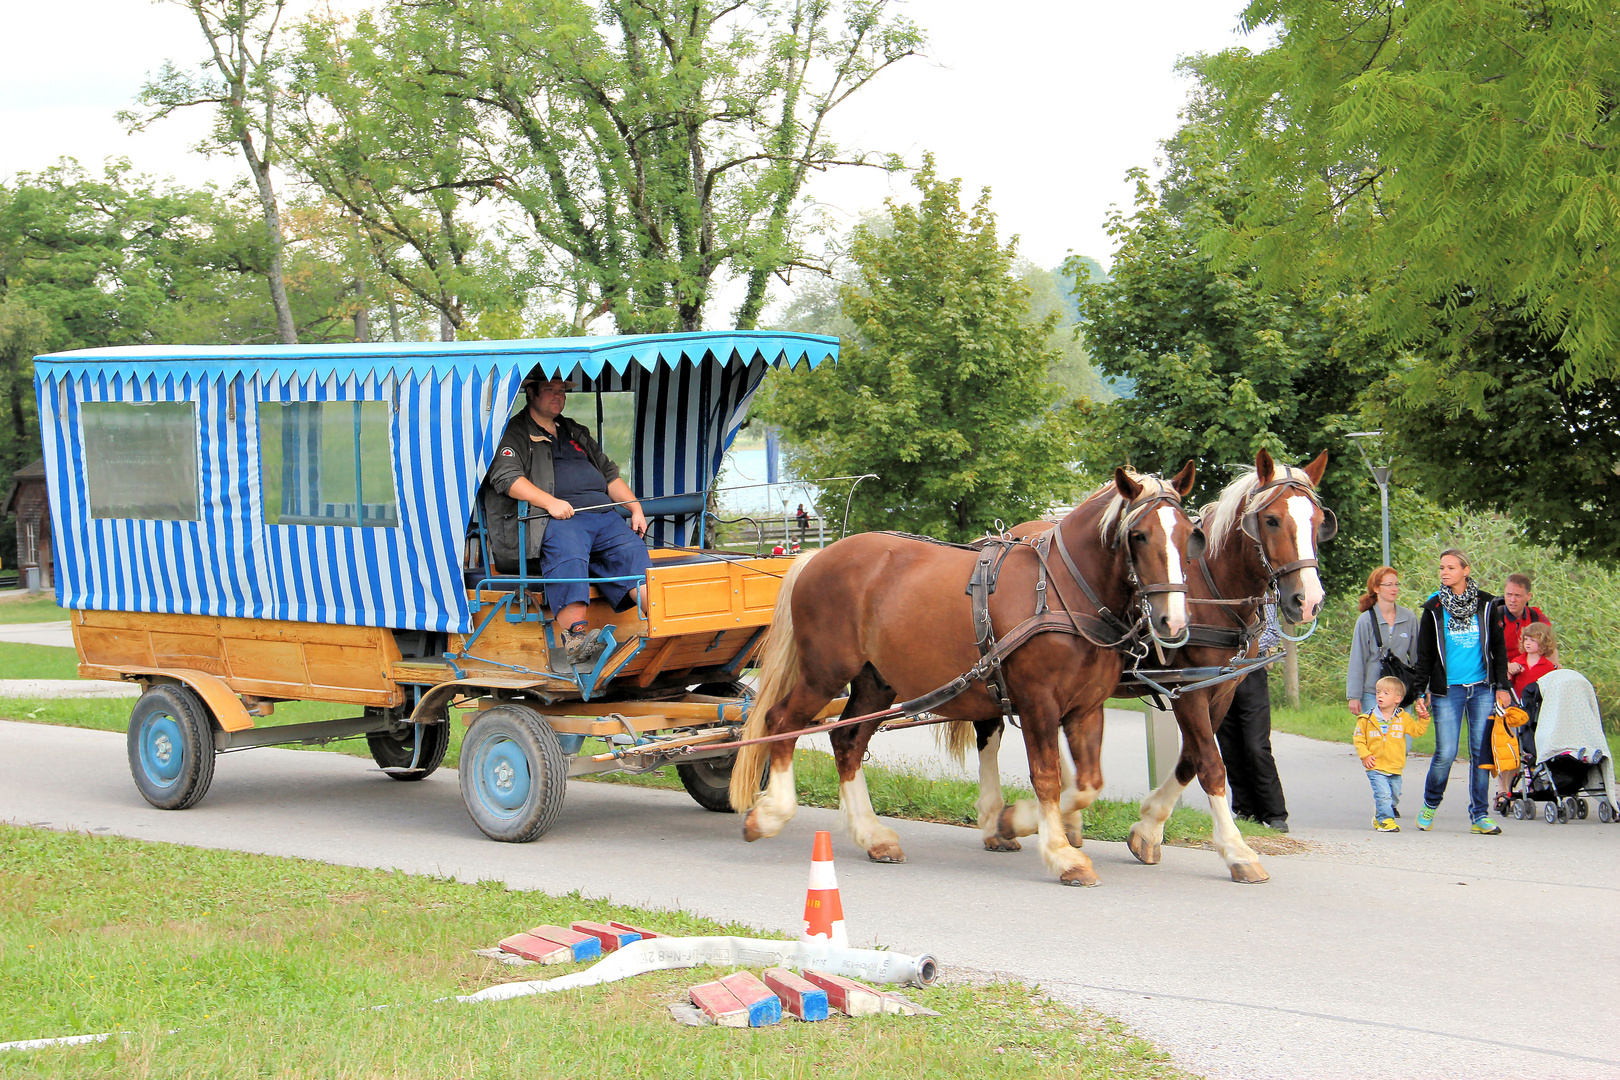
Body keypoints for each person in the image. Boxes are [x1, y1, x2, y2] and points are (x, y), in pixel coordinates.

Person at [483, 375, 651, 663]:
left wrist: (635, 508)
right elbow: (507, 478)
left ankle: (665, 622)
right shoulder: (513, 433)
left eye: (561, 392)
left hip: (602, 518)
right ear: (531, 394)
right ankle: (575, 637)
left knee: (632, 551)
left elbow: (609, 474)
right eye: (549, 390)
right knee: (569, 551)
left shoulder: (574, 430)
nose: (558, 396)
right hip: (547, 520)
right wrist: (550, 503)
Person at [1409, 548, 1512, 835]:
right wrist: (1420, 692)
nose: (1444, 572)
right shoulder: (1433, 608)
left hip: (1482, 689)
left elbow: (1498, 649)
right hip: (1447, 691)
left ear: (1465, 570)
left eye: (1451, 567)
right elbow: (1425, 654)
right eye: (1442, 567)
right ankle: (1430, 804)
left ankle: (1479, 816)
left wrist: (1502, 686)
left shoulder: (1487, 605)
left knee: (1481, 754)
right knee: (1446, 752)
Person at [1216, 603, 1289, 831]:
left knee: (1256, 746)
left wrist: (1241, 649)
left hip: (1251, 670)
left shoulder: (1259, 593)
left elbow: (1272, 633)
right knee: (1229, 745)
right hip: (1221, 674)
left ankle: (1275, 813)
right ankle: (1245, 810)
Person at [1354, 675, 1429, 832]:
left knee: (1394, 795)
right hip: (1376, 766)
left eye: (1386, 693)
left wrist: (1423, 719)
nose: (1380, 696)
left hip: (1395, 766)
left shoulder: (1403, 718)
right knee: (1383, 795)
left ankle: (1380, 814)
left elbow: (1417, 731)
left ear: (1397, 699)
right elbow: (1359, 739)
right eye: (1378, 692)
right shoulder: (1366, 719)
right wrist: (1365, 755)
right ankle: (1386, 821)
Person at [1346, 565, 1419, 717]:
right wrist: (1354, 696)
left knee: (1402, 739)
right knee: (1377, 738)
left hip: (1401, 691)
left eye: (1396, 584)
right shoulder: (1365, 620)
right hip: (1373, 691)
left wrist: (1423, 691)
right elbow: (1357, 659)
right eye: (1389, 584)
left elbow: (1417, 657)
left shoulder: (1408, 618)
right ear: (1376, 588)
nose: (1394, 589)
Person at [1500, 573, 1550, 679]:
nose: (1512, 600)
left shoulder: (1535, 616)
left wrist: (1553, 668)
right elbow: (1483, 651)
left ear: (1528, 596)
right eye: (1509, 595)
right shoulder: (1494, 616)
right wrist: (1506, 666)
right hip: (1502, 673)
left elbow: (1550, 645)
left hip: (1530, 672)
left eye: (1517, 596)